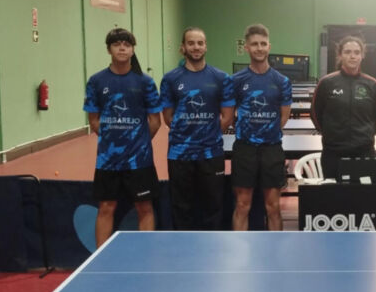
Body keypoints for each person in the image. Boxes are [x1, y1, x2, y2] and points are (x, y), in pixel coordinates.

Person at [83, 28, 161, 247]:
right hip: (108, 160)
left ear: (133, 49)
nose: (122, 48)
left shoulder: (145, 82)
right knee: (106, 207)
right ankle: (101, 258)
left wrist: (139, 142)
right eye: (117, 44)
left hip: (140, 160)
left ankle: (147, 253)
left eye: (127, 45)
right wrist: (112, 141)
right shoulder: (96, 81)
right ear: (109, 49)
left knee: (144, 207)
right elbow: (94, 120)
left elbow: (155, 121)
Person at [160, 27, 235, 230]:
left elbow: (227, 117)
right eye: (191, 43)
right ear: (183, 47)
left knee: (213, 206)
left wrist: (207, 133)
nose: (196, 47)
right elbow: (168, 117)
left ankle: (211, 246)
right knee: (181, 207)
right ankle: (184, 247)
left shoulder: (221, 78)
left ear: (206, 46)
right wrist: (187, 133)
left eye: (200, 43)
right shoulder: (170, 79)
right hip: (179, 154)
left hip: (211, 153)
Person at [230, 24, 292, 230]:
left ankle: (275, 248)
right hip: (244, 149)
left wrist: (267, 132)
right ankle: (239, 247)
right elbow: (230, 114)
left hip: (271, 149)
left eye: (263, 44)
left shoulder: (282, 81)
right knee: (242, 205)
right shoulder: (236, 80)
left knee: (273, 207)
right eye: (255, 44)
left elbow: (284, 117)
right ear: (246, 47)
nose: (259, 48)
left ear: (269, 47)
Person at [311, 36, 376, 178]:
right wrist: (331, 134)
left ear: (362, 56)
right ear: (340, 55)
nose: (352, 56)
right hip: (333, 152)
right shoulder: (326, 83)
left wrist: (366, 133)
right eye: (347, 52)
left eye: (357, 52)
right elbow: (315, 114)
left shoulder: (372, 84)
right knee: (333, 191)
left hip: (364, 151)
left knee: (362, 191)